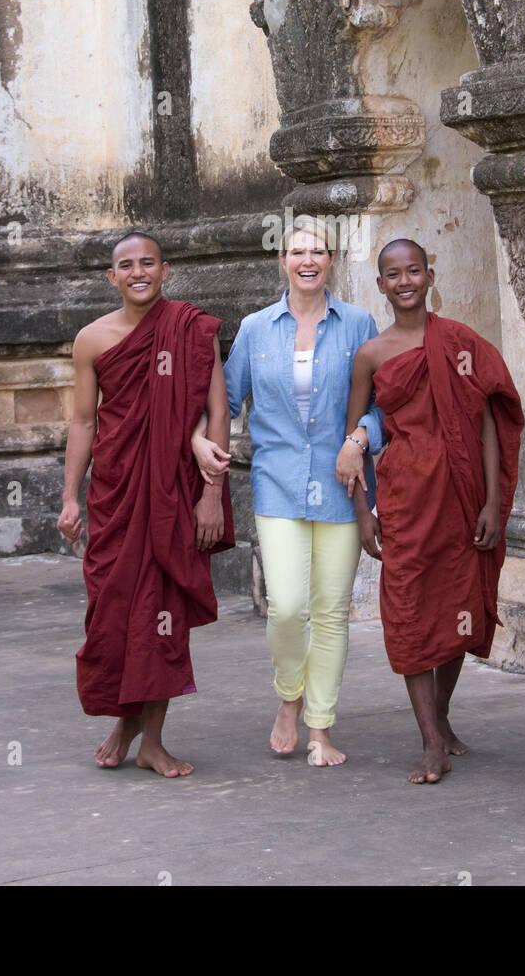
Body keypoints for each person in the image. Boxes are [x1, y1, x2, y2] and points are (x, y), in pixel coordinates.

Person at [192, 216, 384, 766]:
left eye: (318, 251)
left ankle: (321, 728)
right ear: (282, 260)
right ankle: (288, 698)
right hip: (276, 484)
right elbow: (222, 399)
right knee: (286, 607)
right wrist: (196, 440)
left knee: (330, 610)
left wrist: (360, 436)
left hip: (341, 484)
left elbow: (382, 402)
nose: (308, 260)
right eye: (298, 251)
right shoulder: (255, 328)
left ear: (331, 260)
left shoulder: (358, 324)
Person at [342, 239, 524, 785]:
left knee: (459, 607)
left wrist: (492, 501)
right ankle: (429, 743)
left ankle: (439, 717)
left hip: (463, 494)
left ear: (429, 275)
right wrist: (362, 512)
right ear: (380, 285)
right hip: (404, 496)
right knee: (410, 612)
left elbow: (490, 420)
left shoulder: (461, 343)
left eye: (413, 271)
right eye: (393, 274)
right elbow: (351, 439)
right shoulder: (371, 354)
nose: (404, 282)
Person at [58, 231, 234, 777]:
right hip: (115, 493)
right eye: (126, 265)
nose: (138, 272)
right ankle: (125, 720)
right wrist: (69, 498)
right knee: (112, 614)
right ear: (112, 277)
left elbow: (218, 414)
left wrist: (210, 498)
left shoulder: (191, 330)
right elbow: (84, 421)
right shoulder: (91, 339)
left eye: (148, 263)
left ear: (165, 270)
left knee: (161, 613)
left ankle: (151, 740)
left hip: (173, 491)